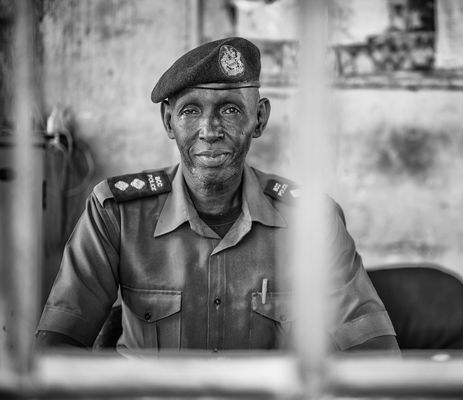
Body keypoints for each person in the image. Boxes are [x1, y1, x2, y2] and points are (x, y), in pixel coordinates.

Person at [35, 37, 398, 352]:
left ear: (259, 119)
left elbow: (372, 347)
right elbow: (58, 343)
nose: (209, 130)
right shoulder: (116, 213)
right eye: (191, 111)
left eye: (230, 109)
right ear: (168, 122)